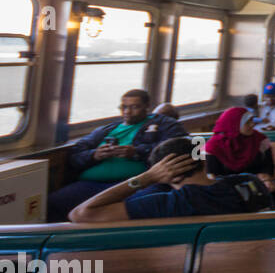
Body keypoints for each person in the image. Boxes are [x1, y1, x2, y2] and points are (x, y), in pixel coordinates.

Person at [47, 89, 187, 221]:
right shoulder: (107, 129)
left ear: (147, 107)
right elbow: (76, 154)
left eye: (134, 107)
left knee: (138, 205)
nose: (127, 112)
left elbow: (175, 147)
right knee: (53, 202)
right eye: (124, 107)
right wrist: (94, 155)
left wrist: (136, 152)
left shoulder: (165, 124)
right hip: (93, 184)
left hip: (141, 183)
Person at [68, 138, 275, 221]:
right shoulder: (249, 182)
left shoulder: (164, 203)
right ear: (203, 162)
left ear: (163, 172)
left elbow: (80, 214)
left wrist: (146, 178)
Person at [204, 106, 274, 177]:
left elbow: (268, 167)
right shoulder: (214, 145)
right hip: (226, 185)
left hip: (256, 183)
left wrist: (265, 178)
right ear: (234, 124)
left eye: (252, 120)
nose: (252, 124)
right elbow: (212, 175)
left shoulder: (260, 139)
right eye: (247, 122)